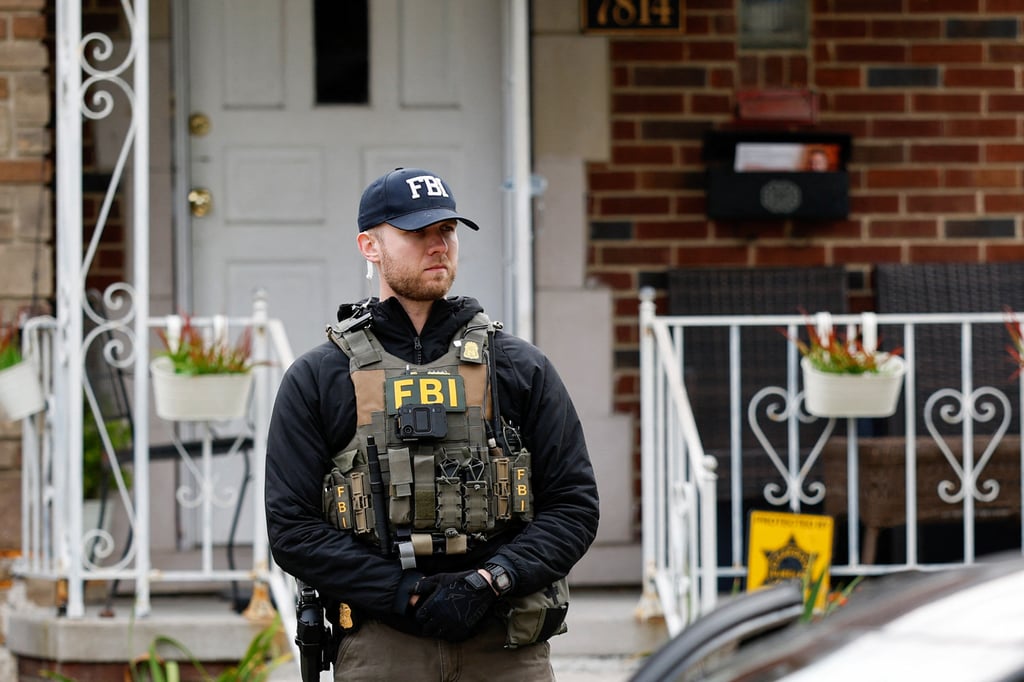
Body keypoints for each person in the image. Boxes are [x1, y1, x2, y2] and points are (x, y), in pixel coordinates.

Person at [265, 167, 600, 681]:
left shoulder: (516, 366)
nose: (437, 245)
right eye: (416, 233)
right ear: (369, 246)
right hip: (383, 642)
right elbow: (292, 529)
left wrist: (492, 580)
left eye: (445, 230)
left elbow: (573, 505)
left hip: (503, 638)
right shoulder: (321, 375)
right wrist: (404, 594)